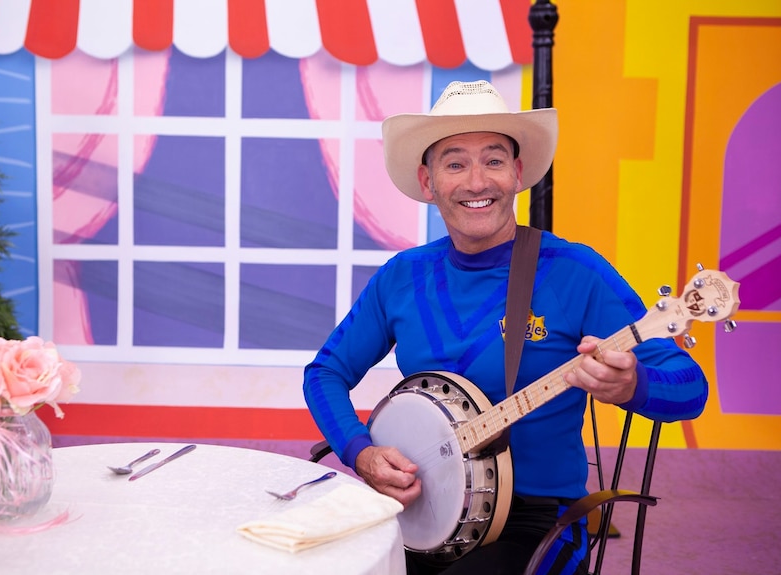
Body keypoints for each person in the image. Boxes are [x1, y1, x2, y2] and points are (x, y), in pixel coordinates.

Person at [302, 80, 708, 574]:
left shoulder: (574, 272)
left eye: (493, 161)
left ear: (517, 174)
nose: (477, 182)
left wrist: (632, 384)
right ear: (428, 183)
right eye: (455, 163)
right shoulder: (402, 277)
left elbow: (691, 389)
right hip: (417, 510)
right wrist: (360, 452)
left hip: (538, 522)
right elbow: (324, 373)